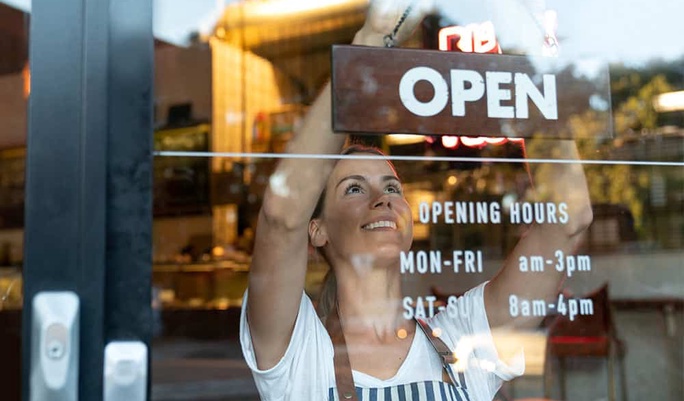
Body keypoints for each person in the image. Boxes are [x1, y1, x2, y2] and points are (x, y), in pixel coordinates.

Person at [240, 1, 593, 400]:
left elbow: (570, 217)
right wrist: (367, 47)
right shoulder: (299, 352)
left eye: (392, 188)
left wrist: (525, 64)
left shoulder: (462, 341)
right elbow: (282, 215)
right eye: (354, 188)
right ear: (317, 228)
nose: (383, 200)